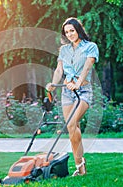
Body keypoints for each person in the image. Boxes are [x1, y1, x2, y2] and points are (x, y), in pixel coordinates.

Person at [46, 17, 99, 176]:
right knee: (73, 129)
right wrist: (53, 84)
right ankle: (81, 168)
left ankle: (78, 164)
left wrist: (78, 83)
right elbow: (59, 70)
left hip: (83, 91)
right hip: (67, 92)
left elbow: (87, 68)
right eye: (66, 32)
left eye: (72, 30)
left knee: (71, 124)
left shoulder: (90, 47)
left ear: (78, 30)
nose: (69, 34)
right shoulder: (64, 50)